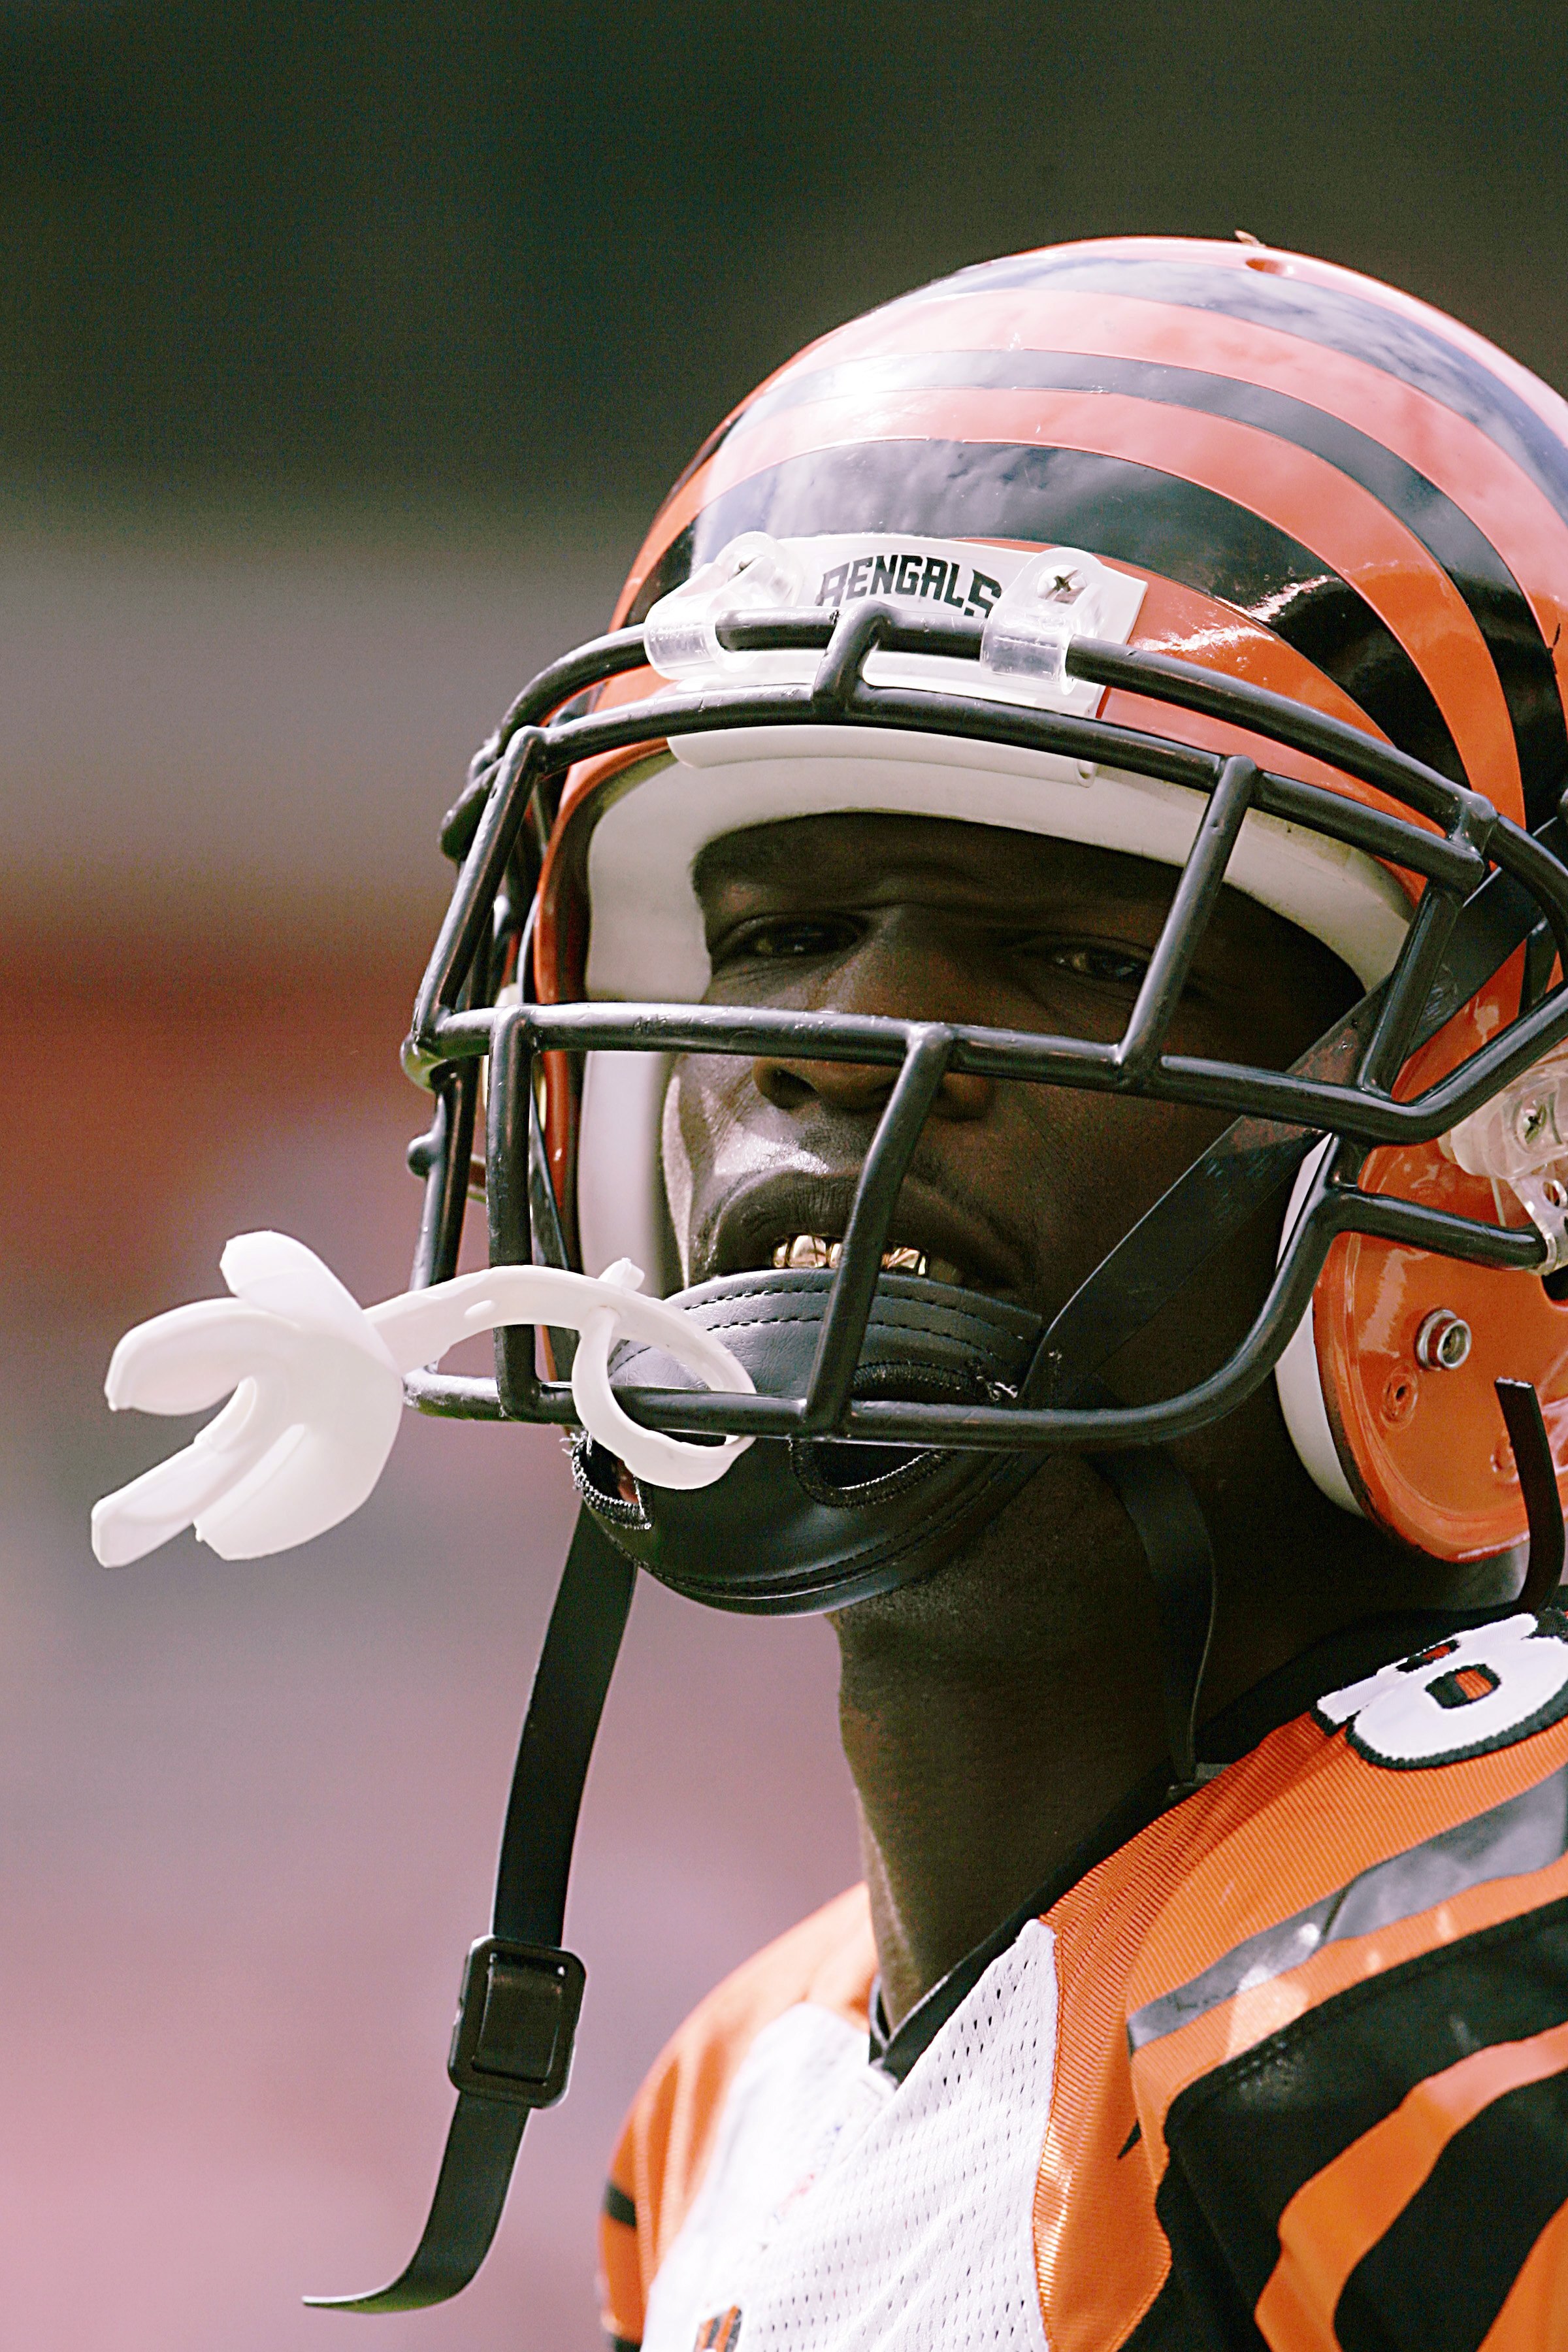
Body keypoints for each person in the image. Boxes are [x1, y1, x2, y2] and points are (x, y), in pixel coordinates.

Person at [93, 235, 1568, 2346]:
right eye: (779, 935)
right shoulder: (737, 2092)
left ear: (1504, 1145)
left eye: (1077, 957)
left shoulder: (1468, 1999)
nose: (838, 1050)